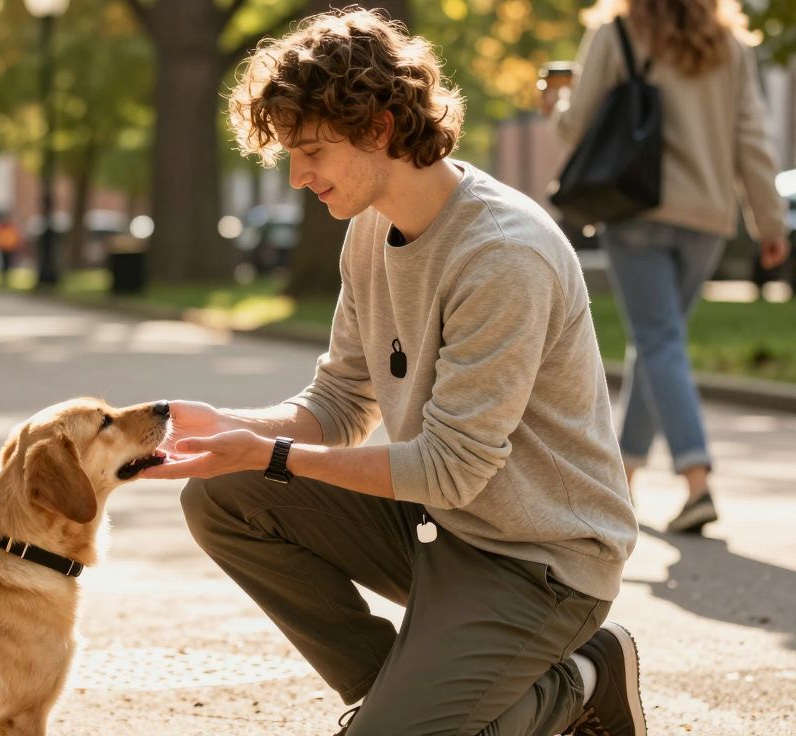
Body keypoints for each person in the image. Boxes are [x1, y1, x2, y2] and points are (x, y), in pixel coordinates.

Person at [142, 9, 643, 735]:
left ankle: (584, 676)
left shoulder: (503, 254)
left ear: (380, 127)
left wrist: (274, 454)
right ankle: (394, 701)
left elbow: (451, 468)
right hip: (441, 528)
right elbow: (341, 402)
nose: (297, 175)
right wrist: (234, 429)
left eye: (310, 149)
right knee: (221, 492)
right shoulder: (369, 230)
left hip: (542, 562)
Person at [543, 0, 790, 534]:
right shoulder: (729, 45)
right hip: (707, 217)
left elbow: (576, 128)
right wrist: (770, 224)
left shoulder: (617, 32)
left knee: (658, 342)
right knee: (659, 342)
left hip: (636, 210)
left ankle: (696, 480)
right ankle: (624, 474)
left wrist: (556, 102)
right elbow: (752, 140)